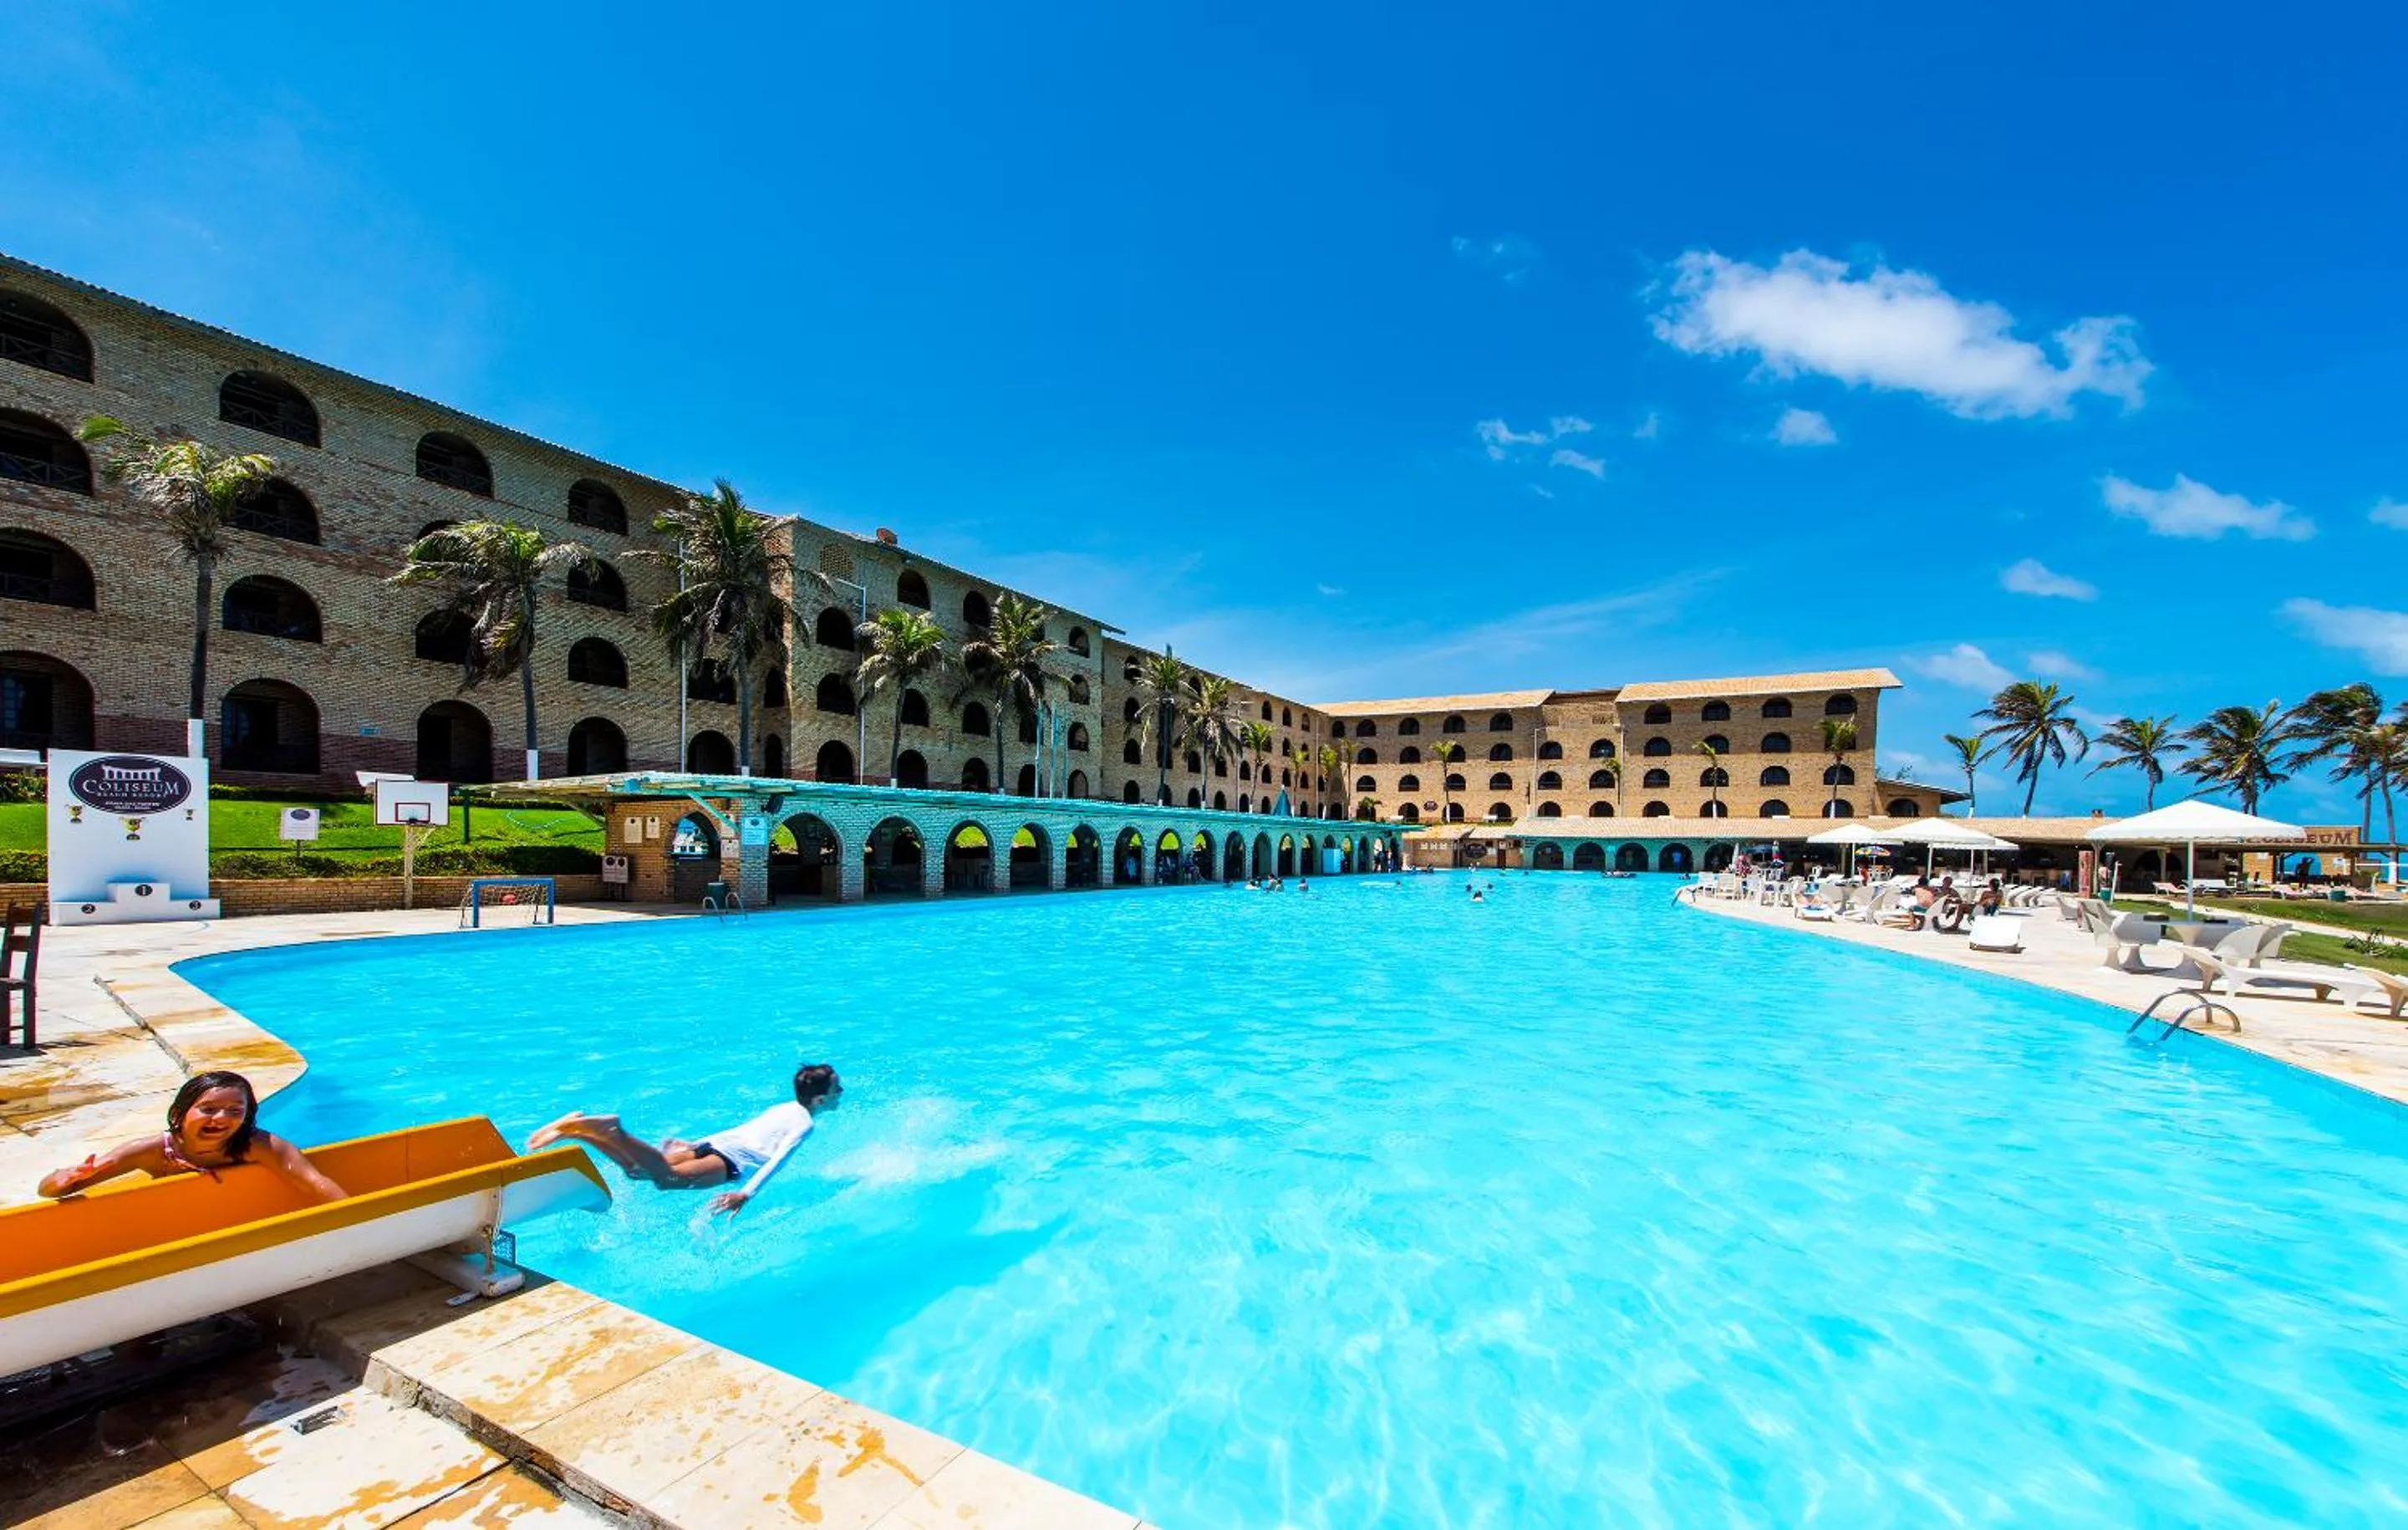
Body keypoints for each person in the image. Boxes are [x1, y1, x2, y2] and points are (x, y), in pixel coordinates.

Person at [529, 1063, 841, 1216]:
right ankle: (614, 1130)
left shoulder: (783, 1108)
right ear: (818, 1100)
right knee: (667, 1179)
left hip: (714, 1147)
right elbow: (777, 1161)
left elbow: (741, 1130)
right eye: (835, 1089)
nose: (840, 1093)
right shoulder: (804, 1124)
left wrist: (694, 1144)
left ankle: (581, 1132)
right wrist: (746, 1194)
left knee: (638, 1171)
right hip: (730, 1163)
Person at [38, 1071, 346, 1202]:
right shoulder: (150, 1151)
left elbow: (315, 1182)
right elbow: (52, 1191)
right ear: (179, 1115)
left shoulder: (259, 1145)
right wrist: (61, 1179)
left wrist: (355, 1224)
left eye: (234, 1111)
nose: (222, 1118)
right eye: (208, 1109)